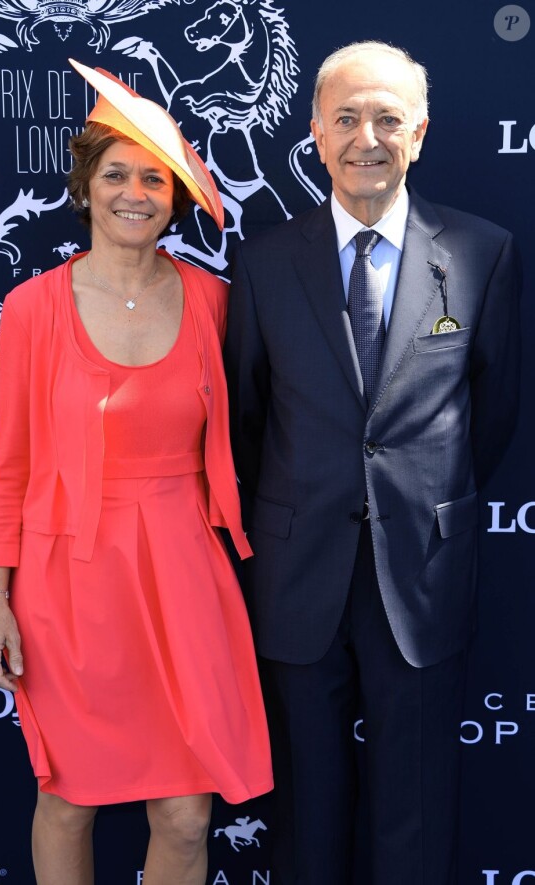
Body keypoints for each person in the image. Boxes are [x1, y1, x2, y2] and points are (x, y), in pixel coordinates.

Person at [224, 40, 520, 885]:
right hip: (296, 574)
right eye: (347, 118)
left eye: (388, 118)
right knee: (306, 823)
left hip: (421, 573)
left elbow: (490, 418)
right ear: (314, 132)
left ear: (420, 134)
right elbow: (248, 421)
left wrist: (418, 499)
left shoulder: (482, 253)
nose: (367, 137)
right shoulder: (264, 262)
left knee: (416, 818)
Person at [0, 59, 273, 885]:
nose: (134, 192)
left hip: (184, 574)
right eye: (116, 174)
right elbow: (8, 470)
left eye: (154, 177)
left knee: (185, 812)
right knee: (69, 797)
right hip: (67, 579)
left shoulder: (214, 300)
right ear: (86, 185)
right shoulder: (33, 307)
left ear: (175, 197)